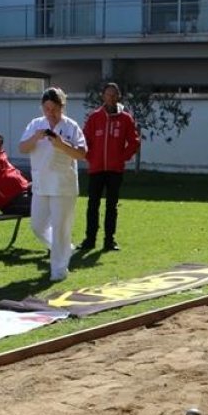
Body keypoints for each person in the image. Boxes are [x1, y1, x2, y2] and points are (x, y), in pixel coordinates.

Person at [17, 87, 88, 282]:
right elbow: (22, 148)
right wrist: (35, 137)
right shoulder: (35, 124)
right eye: (47, 109)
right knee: (37, 226)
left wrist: (61, 145)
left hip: (63, 185)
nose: (50, 113)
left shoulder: (71, 126)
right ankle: (65, 249)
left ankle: (59, 270)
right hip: (41, 183)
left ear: (62, 107)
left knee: (60, 228)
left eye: (54, 109)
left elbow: (81, 154)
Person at [80, 82, 140, 252]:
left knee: (111, 206)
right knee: (93, 205)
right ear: (103, 96)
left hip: (115, 170)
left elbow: (134, 142)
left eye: (114, 95)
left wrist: (122, 158)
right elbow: (84, 141)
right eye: (108, 94)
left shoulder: (126, 118)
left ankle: (109, 241)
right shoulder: (94, 117)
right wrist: (90, 157)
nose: (111, 98)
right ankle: (90, 240)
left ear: (118, 96)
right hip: (96, 169)